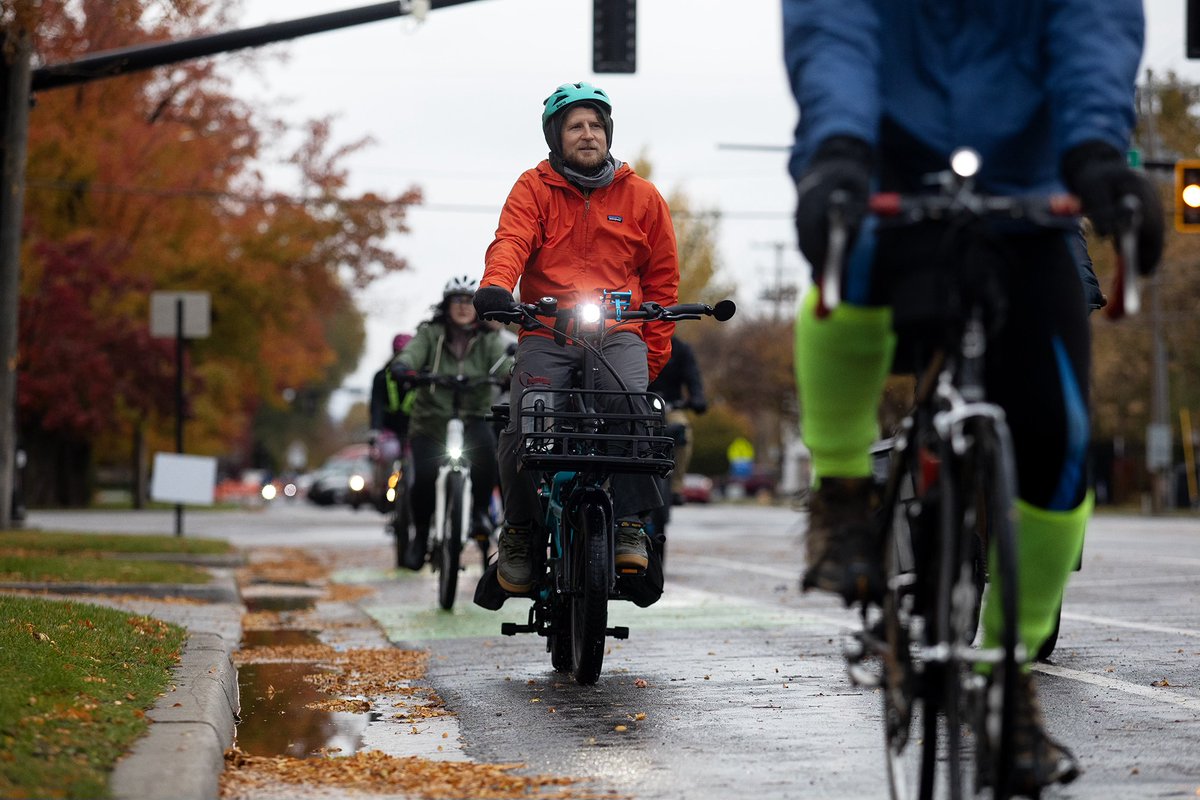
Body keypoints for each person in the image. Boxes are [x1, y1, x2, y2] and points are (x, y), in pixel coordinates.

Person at [783, 1, 1163, 795]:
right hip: (881, 168)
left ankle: (1007, 682)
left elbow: (1094, 31)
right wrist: (839, 150)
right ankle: (844, 494)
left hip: (1030, 194)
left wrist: (1098, 153)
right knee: (843, 276)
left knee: (1060, 445)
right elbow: (836, 33)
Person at [473, 81, 679, 595]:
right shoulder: (533, 188)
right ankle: (519, 531)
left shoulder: (643, 197)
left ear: (608, 134)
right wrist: (497, 286)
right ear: (555, 136)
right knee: (526, 419)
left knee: (636, 409)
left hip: (618, 331)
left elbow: (663, 282)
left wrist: (651, 353)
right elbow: (511, 241)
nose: (587, 135)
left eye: (595, 125)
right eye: (575, 126)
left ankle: (631, 524)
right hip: (547, 328)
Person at [390, 277, 512, 570]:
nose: (463, 307)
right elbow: (412, 354)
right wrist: (404, 367)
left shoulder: (488, 338)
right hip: (431, 419)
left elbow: (504, 362)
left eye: (469, 301)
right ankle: (421, 536)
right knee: (424, 478)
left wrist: (511, 372)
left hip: (473, 415)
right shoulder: (431, 334)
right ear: (446, 306)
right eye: (456, 300)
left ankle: (480, 513)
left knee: (486, 453)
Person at [647, 335, 708, 504]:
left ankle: (676, 487)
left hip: (671, 408)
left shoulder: (681, 349)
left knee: (683, 430)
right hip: (639, 408)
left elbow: (693, 378)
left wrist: (697, 398)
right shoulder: (639, 342)